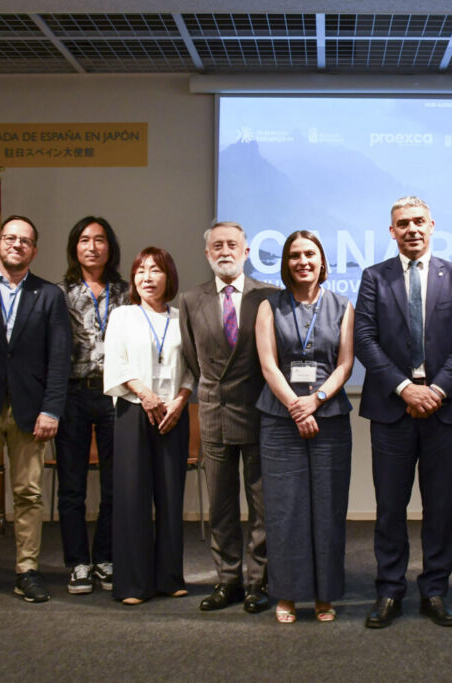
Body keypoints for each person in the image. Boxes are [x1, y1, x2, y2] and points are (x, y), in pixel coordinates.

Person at [355, 196, 452, 628]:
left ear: (432, 225)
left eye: (418, 222)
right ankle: (389, 590)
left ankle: (435, 591)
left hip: (443, 412)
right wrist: (407, 388)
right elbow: (365, 340)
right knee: (390, 507)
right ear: (391, 231)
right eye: (402, 223)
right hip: (391, 409)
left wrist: (437, 391)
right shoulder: (374, 277)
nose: (411, 229)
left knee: (439, 507)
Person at [0, 215, 71, 610]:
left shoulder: (50, 295)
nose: (17, 244)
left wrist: (52, 408)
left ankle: (26, 571)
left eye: (25, 240)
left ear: (34, 250)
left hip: (31, 411)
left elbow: (59, 359)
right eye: (10, 238)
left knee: (29, 493)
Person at [255, 231, 355, 624]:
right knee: (285, 510)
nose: (303, 261)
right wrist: (297, 406)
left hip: (330, 417)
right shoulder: (269, 306)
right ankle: (288, 594)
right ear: (286, 262)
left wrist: (316, 400)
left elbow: (345, 364)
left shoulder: (342, 305)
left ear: (322, 260)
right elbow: (268, 364)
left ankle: (324, 595)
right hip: (280, 419)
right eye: (295, 255)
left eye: (310, 254)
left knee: (328, 508)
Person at [179, 221, 277, 613]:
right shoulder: (191, 299)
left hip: (257, 412)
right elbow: (191, 356)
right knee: (220, 506)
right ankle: (227, 582)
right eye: (217, 245)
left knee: (261, 507)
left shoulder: (269, 296)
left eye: (232, 244)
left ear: (246, 251)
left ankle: (258, 583)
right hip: (214, 414)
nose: (225, 250)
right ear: (207, 254)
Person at [104, 247, 193, 605]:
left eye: (155, 270)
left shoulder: (180, 316)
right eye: (141, 271)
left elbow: (191, 366)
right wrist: (145, 395)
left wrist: (181, 399)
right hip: (133, 412)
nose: (147, 277)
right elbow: (116, 360)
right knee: (132, 498)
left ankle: (169, 578)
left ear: (168, 277)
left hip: (173, 413)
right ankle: (133, 584)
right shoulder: (123, 315)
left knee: (171, 498)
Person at [56, 216, 130, 595]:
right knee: (71, 486)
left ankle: (104, 558)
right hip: (73, 393)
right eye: (85, 239)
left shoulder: (126, 292)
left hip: (115, 394)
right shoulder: (59, 292)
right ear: (75, 247)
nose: (92, 246)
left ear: (109, 247)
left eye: (100, 239)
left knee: (115, 485)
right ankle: (77, 563)